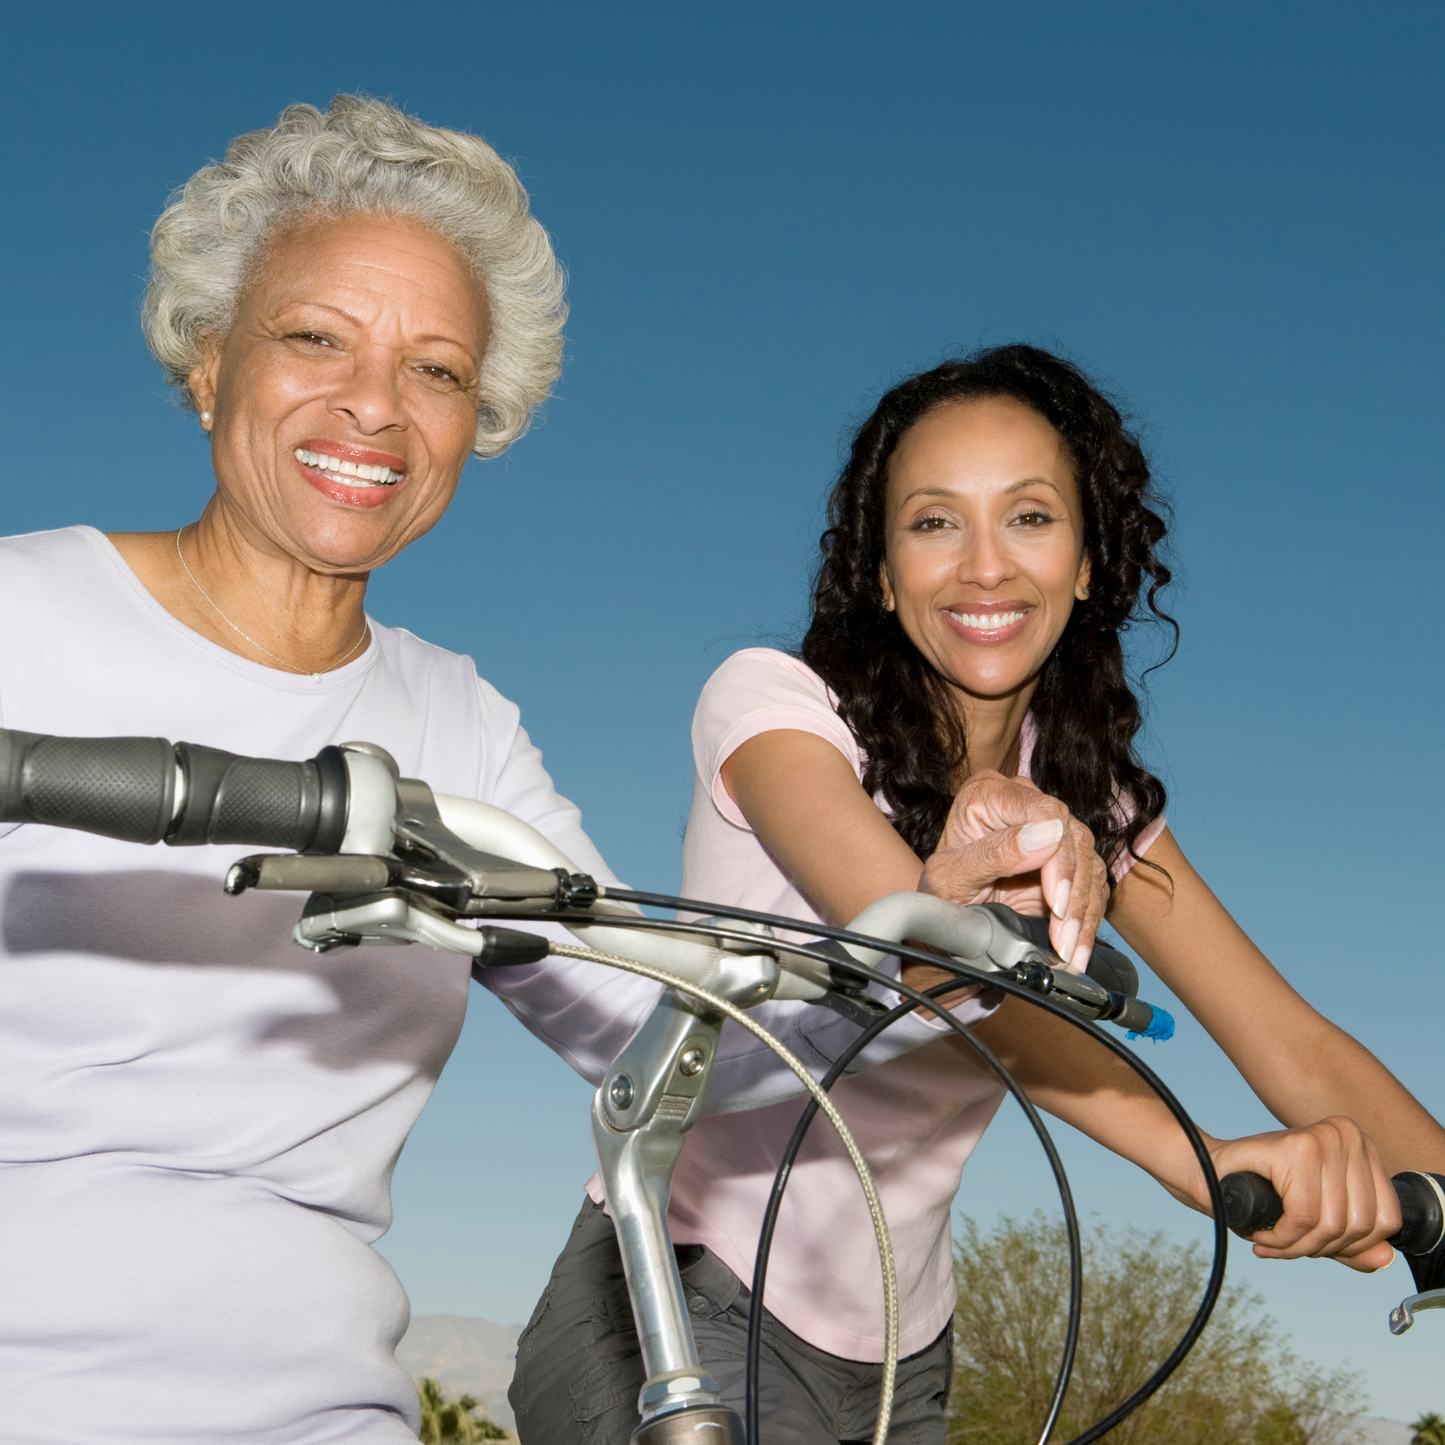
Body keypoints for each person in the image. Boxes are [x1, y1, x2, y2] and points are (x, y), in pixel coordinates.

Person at [0, 97, 1050, 1445]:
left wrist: (915, 931)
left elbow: (666, 1038)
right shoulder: (25, 619)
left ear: (476, 420)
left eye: (435, 370)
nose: (373, 405)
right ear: (208, 363)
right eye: (314, 338)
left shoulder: (455, 721)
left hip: (326, 1404)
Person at [511, 346, 1445, 1444]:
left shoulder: (1091, 801)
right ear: (878, 562)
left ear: (1090, 559)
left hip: (907, 1354)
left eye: (1031, 517)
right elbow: (929, 951)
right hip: (676, 1299)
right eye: (933, 521)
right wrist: (1199, 1156)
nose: (983, 566)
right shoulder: (774, 710)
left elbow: (1286, 1036)